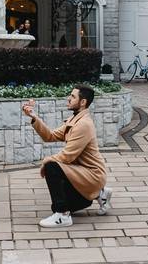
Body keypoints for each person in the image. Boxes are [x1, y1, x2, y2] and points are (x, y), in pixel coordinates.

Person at [22, 85, 112, 227]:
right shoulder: (74, 120)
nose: (68, 98)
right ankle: (98, 194)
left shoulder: (83, 125)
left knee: (52, 167)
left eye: (73, 96)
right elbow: (50, 136)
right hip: (84, 174)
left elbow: (67, 157)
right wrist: (34, 117)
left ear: (83, 102)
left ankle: (63, 216)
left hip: (93, 175)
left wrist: (45, 162)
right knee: (57, 204)